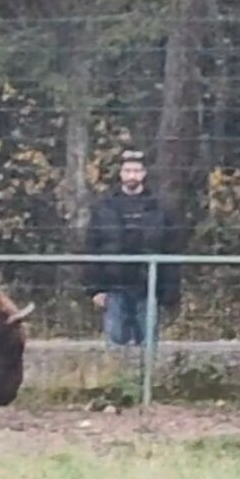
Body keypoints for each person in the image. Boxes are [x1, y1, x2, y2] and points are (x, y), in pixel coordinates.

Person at [82, 149, 181, 348]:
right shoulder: (104, 208)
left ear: (144, 174)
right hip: (114, 288)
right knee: (115, 345)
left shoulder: (160, 209)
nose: (131, 175)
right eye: (127, 170)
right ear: (120, 173)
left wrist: (169, 291)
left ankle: (149, 379)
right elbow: (92, 249)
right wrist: (95, 289)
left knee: (148, 348)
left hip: (148, 288)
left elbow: (170, 251)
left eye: (136, 170)